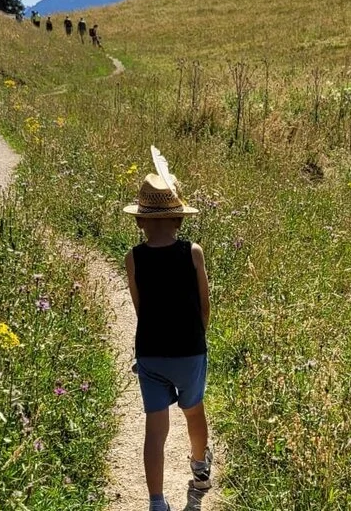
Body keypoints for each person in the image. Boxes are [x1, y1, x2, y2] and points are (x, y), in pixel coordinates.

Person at [123, 172, 213, 511]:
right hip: (189, 350)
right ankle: (200, 470)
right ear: (177, 217)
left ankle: (157, 502)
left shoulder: (133, 258)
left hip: (151, 351)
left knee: (155, 429)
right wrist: (197, 337)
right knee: (193, 412)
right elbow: (205, 305)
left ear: (140, 223)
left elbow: (139, 306)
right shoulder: (193, 252)